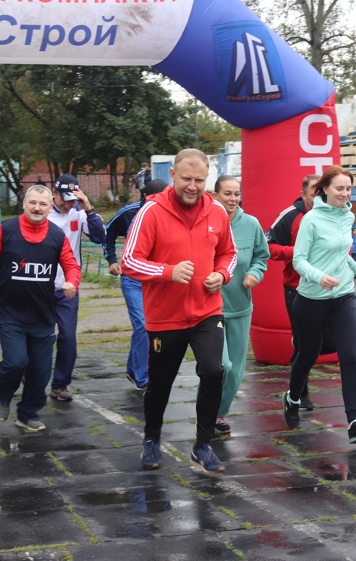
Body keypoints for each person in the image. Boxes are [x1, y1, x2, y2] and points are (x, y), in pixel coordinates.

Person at [122, 149, 237, 474]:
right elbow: (130, 260)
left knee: (214, 371)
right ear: (172, 176)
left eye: (199, 180)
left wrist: (222, 274)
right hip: (165, 316)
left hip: (206, 311)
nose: (193, 186)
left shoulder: (216, 211)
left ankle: (202, 446)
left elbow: (229, 252)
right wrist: (167, 272)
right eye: (186, 178)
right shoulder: (152, 212)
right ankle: (151, 438)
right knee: (160, 383)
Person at [281, 165, 356, 444]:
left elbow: (341, 252)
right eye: (339, 188)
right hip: (311, 298)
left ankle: (355, 422)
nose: (345, 193)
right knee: (307, 355)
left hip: (343, 296)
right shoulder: (311, 220)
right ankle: (293, 397)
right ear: (324, 189)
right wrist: (318, 277)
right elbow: (299, 260)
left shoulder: (348, 217)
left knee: (349, 356)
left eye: (348, 189)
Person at [0, 185, 81, 432]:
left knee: (41, 370)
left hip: (43, 315)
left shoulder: (56, 235)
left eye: (43, 204)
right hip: (10, 313)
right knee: (15, 362)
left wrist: (71, 283)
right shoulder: (6, 231)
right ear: (24, 203)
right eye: (33, 202)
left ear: (49, 206)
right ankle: (3, 394)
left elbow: (72, 265)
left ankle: (27, 413)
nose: (37, 208)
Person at [265, 174, 334, 411]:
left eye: (321, 192)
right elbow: (268, 247)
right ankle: (300, 395)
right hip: (297, 290)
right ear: (303, 194)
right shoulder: (291, 216)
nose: (319, 197)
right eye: (314, 193)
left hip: (328, 290)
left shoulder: (334, 213)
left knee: (331, 341)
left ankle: (299, 349)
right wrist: (297, 252)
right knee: (307, 346)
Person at [211, 176, 269, 436]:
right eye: (227, 193)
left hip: (241, 307)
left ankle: (218, 415)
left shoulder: (251, 224)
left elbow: (261, 256)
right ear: (215, 195)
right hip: (211, 309)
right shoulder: (206, 222)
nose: (233, 199)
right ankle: (207, 411)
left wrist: (255, 273)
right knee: (221, 367)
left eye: (236, 194)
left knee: (235, 373)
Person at [105, 179, 169, 392]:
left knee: (152, 327)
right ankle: (143, 378)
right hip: (133, 279)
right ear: (146, 198)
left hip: (156, 279)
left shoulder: (169, 213)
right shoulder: (129, 212)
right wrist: (112, 260)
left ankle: (134, 369)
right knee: (142, 324)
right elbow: (108, 234)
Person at [46, 173, 105, 401]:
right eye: (64, 198)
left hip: (68, 287)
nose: (67, 203)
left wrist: (88, 208)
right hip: (41, 285)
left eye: (72, 199)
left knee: (68, 337)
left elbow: (99, 236)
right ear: (54, 192)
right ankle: (27, 370)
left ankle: (60, 384)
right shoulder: (43, 211)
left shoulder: (78, 214)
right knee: (41, 336)